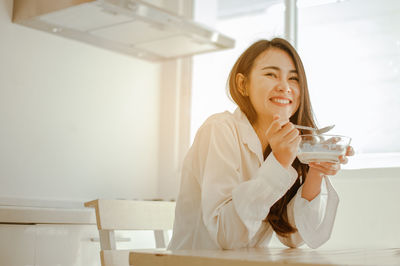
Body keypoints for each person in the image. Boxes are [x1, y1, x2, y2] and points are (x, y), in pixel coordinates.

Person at [168, 38, 354, 250]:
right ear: (242, 84)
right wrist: (279, 163)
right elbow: (225, 237)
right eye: (271, 74)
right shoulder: (219, 130)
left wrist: (315, 173)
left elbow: (293, 237)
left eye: (294, 79)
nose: (285, 87)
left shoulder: (286, 144)